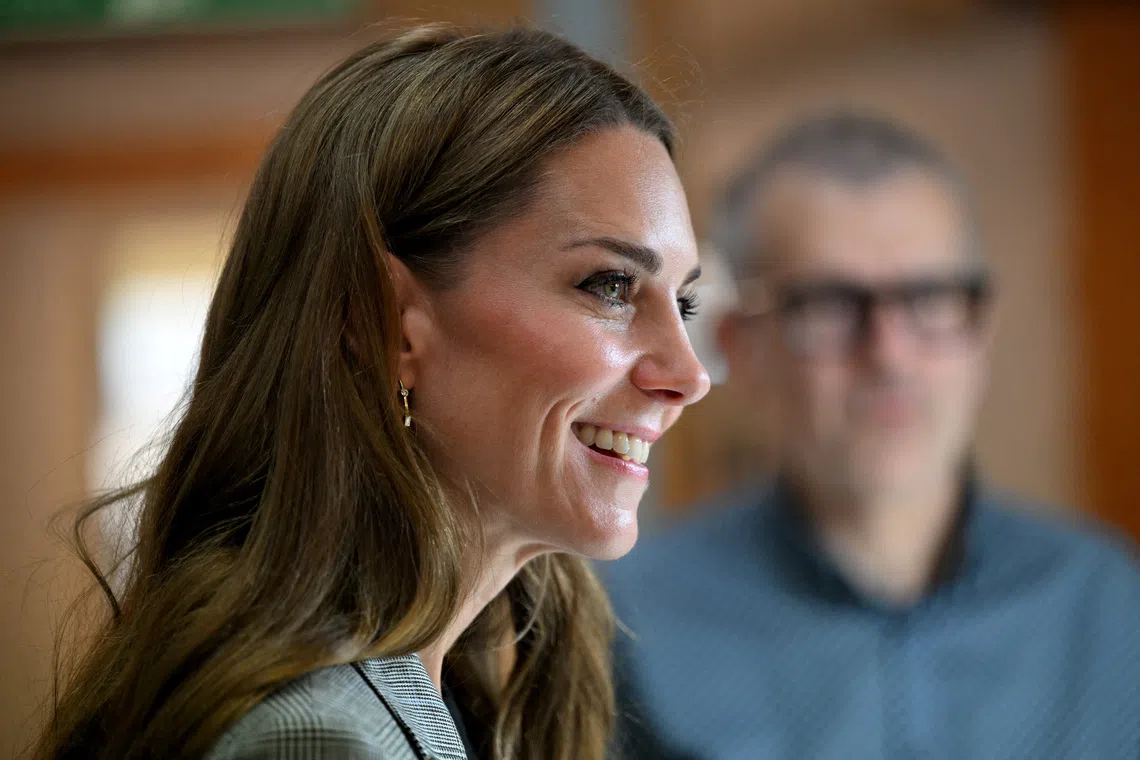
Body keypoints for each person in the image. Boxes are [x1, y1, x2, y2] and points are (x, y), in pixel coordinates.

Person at [33, 24, 710, 760]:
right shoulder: (321, 739)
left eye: (685, 305)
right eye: (610, 286)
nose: (688, 375)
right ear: (387, 323)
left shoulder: (453, 692)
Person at [604, 112, 1140, 759]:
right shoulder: (626, 625)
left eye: (929, 298)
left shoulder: (1112, 608)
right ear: (740, 349)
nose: (889, 356)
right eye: (829, 306)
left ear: (980, 332)